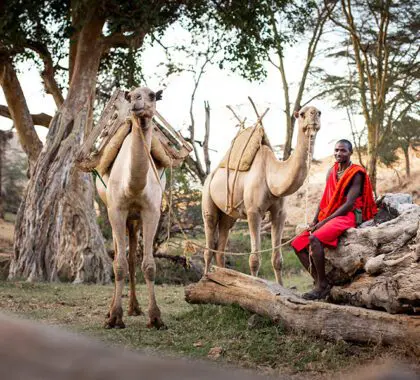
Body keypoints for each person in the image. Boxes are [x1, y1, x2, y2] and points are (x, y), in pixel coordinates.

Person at [291, 139, 377, 300]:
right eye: (336, 150)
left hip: (349, 215)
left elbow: (349, 204)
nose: (338, 153)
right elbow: (325, 198)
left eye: (343, 150)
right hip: (331, 213)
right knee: (296, 243)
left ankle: (321, 286)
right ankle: (320, 283)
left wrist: (324, 222)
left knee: (314, 238)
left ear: (350, 153)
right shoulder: (332, 171)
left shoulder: (356, 173)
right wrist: (316, 220)